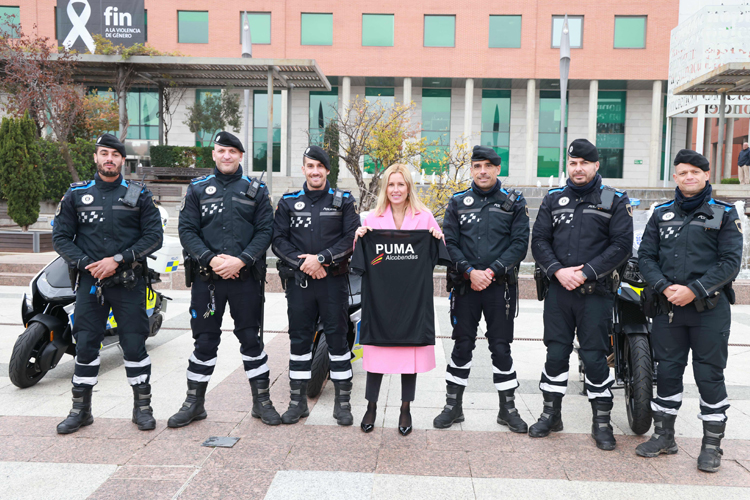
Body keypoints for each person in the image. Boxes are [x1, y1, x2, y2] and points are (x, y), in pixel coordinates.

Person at [636, 149, 742, 473]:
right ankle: (664, 436)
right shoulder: (661, 213)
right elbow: (646, 258)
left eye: (695, 172)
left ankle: (712, 446)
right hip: (668, 308)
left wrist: (693, 290)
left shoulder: (725, 213)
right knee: (666, 372)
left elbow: (730, 263)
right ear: (675, 177)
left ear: (707, 175)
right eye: (682, 172)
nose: (689, 177)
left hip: (709, 310)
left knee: (709, 375)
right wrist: (665, 287)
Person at [52, 133, 163, 434]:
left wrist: (118, 258)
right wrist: (86, 263)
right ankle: (80, 410)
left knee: (134, 345)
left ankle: (142, 408)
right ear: (96, 158)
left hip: (128, 283)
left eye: (115, 154)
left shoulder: (139, 195)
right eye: (104, 153)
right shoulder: (76, 194)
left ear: (123, 160)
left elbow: (154, 237)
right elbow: (61, 237)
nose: (109, 159)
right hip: (90, 284)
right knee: (86, 345)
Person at [168, 132, 279, 427]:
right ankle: (194, 403)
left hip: (244, 280)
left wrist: (241, 259)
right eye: (221, 151)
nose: (227, 156)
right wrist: (211, 259)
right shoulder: (197, 189)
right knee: (204, 342)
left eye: (232, 151)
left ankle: (262, 402)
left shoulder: (256, 190)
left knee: (250, 340)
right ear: (213, 154)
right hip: (209, 281)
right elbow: (187, 230)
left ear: (241, 155)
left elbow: (266, 231)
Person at [530, 138, 633, 450]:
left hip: (596, 292)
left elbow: (622, 246)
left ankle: (601, 422)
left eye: (584, 163)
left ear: (596, 165)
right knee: (556, 353)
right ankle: (551, 414)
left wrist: (585, 271)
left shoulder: (614, 199)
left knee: (595, 356)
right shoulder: (553, 199)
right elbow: (539, 241)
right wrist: (558, 271)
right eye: (573, 163)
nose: (578, 168)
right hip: (559, 291)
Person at [432, 146, 530, 433]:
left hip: (499, 288)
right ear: (471, 170)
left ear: (498, 169)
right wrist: (469, 271)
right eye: (477, 166)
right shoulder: (458, 201)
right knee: (462, 344)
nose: (483, 171)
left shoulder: (513, 203)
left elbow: (520, 244)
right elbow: (449, 241)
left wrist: (490, 271)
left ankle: (508, 409)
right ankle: (453, 406)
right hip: (465, 286)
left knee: (501, 347)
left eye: (488, 165)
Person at [272, 145, 360, 425]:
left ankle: (342, 404)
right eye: (310, 166)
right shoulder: (288, 202)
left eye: (320, 166)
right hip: (300, 284)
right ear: (303, 169)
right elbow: (278, 240)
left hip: (333, 283)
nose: (315, 171)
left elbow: (350, 239)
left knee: (337, 340)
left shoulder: (344, 200)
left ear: (327, 170)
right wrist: (304, 264)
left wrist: (321, 259)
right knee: (299, 341)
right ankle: (297, 403)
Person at [354, 164, 443, 436]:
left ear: (408, 187)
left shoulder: (425, 217)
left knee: (409, 355)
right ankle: (371, 406)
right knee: (377, 357)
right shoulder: (371, 219)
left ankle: (405, 408)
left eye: (401, 185)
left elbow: (441, 253)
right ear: (385, 188)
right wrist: (358, 239)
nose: (395, 190)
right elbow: (361, 259)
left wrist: (438, 239)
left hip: (412, 301)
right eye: (391, 185)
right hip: (380, 301)